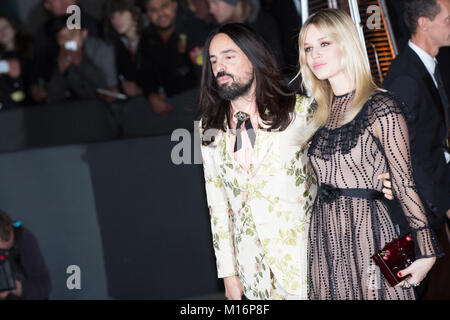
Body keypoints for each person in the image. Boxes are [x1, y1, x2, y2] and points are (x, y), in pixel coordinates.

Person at [198, 23, 394, 300]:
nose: (219, 67)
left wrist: (384, 172)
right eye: (214, 60)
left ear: (254, 58)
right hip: (253, 271)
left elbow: (347, 149)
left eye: (229, 56)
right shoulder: (209, 126)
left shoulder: (300, 111)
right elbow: (217, 204)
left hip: (310, 260)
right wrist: (229, 275)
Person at [297, 8, 442, 300]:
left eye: (325, 44)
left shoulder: (381, 107)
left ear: (346, 44)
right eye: (308, 48)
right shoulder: (317, 115)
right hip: (326, 240)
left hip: (371, 236)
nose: (315, 55)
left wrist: (426, 250)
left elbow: (404, 182)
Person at [383, 0, 450, 299]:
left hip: (427, 207)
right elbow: (408, 157)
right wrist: (444, 204)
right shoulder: (406, 78)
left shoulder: (428, 65)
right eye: (448, 20)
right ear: (424, 24)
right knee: (405, 291)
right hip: (410, 217)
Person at [139, 0, 210, 115]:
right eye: (153, 10)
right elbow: (146, 72)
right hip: (168, 105)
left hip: (198, 101)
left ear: (174, 4)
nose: (160, 13)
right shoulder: (147, 37)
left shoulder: (195, 29)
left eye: (164, 6)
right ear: (147, 13)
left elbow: (204, 74)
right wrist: (151, 94)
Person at [29, 0, 100, 104]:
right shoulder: (43, 32)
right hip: (59, 103)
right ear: (47, 5)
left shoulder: (92, 25)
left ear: (84, 33)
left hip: (95, 100)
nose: (63, 1)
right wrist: (35, 86)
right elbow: (38, 66)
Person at [46, 14, 118, 104]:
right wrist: (61, 72)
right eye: (62, 38)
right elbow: (52, 99)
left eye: (72, 34)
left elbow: (110, 89)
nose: (68, 40)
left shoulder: (101, 50)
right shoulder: (61, 55)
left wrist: (81, 62)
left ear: (84, 33)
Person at [206, 0, 286, 76]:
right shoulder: (215, 32)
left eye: (215, 3)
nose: (211, 10)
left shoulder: (263, 25)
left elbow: (276, 65)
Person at [0, 209, 51, 300]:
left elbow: (44, 286)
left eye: (9, 248)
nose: (5, 255)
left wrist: (20, 289)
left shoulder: (23, 238)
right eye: (1, 251)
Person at [103, 0, 145, 98]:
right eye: (112, 16)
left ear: (134, 13)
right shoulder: (117, 46)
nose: (116, 20)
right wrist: (117, 90)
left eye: (121, 13)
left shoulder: (153, 38)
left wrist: (142, 90)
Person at [0, 15, 33, 109]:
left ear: (14, 27)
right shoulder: (2, 55)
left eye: (5, 27)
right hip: (9, 107)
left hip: (32, 103)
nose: (2, 32)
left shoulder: (30, 45)